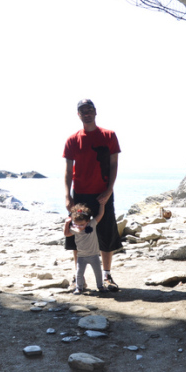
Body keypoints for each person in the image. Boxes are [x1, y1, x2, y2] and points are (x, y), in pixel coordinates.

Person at [64, 98, 122, 292]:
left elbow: (114, 165)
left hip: (102, 193)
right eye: (83, 111)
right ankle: (78, 277)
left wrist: (109, 190)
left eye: (89, 109)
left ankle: (107, 275)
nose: (87, 113)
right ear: (78, 115)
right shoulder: (72, 140)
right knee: (76, 235)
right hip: (79, 194)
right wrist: (67, 195)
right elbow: (68, 170)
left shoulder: (109, 135)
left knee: (106, 233)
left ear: (95, 112)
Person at [63, 203, 107, 295]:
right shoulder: (75, 229)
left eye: (82, 224)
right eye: (77, 224)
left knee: (98, 272)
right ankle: (79, 288)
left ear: (87, 221)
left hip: (94, 255)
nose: (80, 226)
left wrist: (102, 205)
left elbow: (100, 215)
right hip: (81, 256)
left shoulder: (92, 224)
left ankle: (100, 286)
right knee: (79, 273)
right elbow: (66, 234)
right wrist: (67, 223)